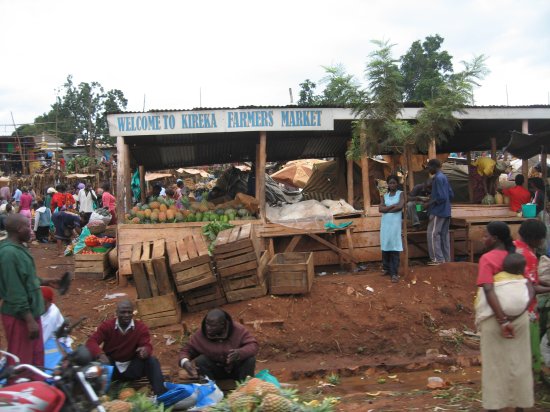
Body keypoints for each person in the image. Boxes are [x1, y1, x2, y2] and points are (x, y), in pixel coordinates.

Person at [476, 221, 533, 411]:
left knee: (494, 365)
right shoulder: (516, 257)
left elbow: (489, 289)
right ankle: (521, 406)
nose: (483, 238)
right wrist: (520, 307)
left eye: (486, 236)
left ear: (495, 238)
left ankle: (494, 406)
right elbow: (529, 286)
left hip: (496, 319)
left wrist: (503, 320)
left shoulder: (487, 259)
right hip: (521, 318)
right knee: (521, 362)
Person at [0, 214, 59, 377]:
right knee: (22, 363)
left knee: (36, 358)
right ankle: (20, 394)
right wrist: (28, 319)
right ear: (18, 230)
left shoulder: (19, 248)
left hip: (31, 314)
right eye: (28, 226)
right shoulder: (8, 254)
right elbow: (14, 290)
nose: (31, 230)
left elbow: (25, 277)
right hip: (19, 316)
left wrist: (45, 281)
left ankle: (36, 391)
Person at [86, 300, 166, 396]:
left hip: (132, 369)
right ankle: (97, 396)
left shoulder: (140, 328)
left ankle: (161, 394)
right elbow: (91, 342)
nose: (126, 315)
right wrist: (100, 355)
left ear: (133, 313)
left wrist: (144, 351)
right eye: (123, 312)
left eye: (129, 312)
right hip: (112, 369)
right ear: (117, 313)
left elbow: (147, 345)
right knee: (94, 361)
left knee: (152, 361)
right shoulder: (107, 326)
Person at [513, 219, 550, 379]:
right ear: (535, 238)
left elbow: (530, 278)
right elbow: (532, 288)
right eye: (542, 238)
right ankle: (530, 379)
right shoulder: (528, 255)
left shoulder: (513, 247)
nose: (543, 242)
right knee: (530, 346)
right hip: (526, 309)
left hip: (510, 305)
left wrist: (545, 283)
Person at [179, 308, 259, 381]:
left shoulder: (238, 330)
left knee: (250, 359)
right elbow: (186, 350)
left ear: (222, 325)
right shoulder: (201, 334)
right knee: (201, 361)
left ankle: (245, 389)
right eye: (207, 324)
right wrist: (185, 361)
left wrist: (239, 353)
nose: (208, 328)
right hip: (216, 371)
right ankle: (210, 390)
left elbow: (253, 345)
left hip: (237, 369)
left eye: (212, 326)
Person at [424, 159, 454, 265]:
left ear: (433, 167)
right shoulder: (444, 177)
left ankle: (437, 259)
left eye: (429, 168)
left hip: (438, 211)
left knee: (432, 234)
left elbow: (441, 197)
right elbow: (450, 195)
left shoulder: (437, 178)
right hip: (446, 210)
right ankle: (446, 259)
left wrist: (429, 203)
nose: (429, 170)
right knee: (444, 236)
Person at [379, 175, 404, 283]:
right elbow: (380, 209)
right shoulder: (385, 195)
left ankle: (394, 273)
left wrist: (386, 209)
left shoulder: (401, 193)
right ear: (388, 184)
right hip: (385, 225)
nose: (392, 185)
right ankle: (386, 268)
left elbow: (400, 206)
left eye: (394, 183)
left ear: (397, 184)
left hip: (395, 225)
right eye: (390, 183)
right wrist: (391, 207)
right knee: (385, 246)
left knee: (394, 247)